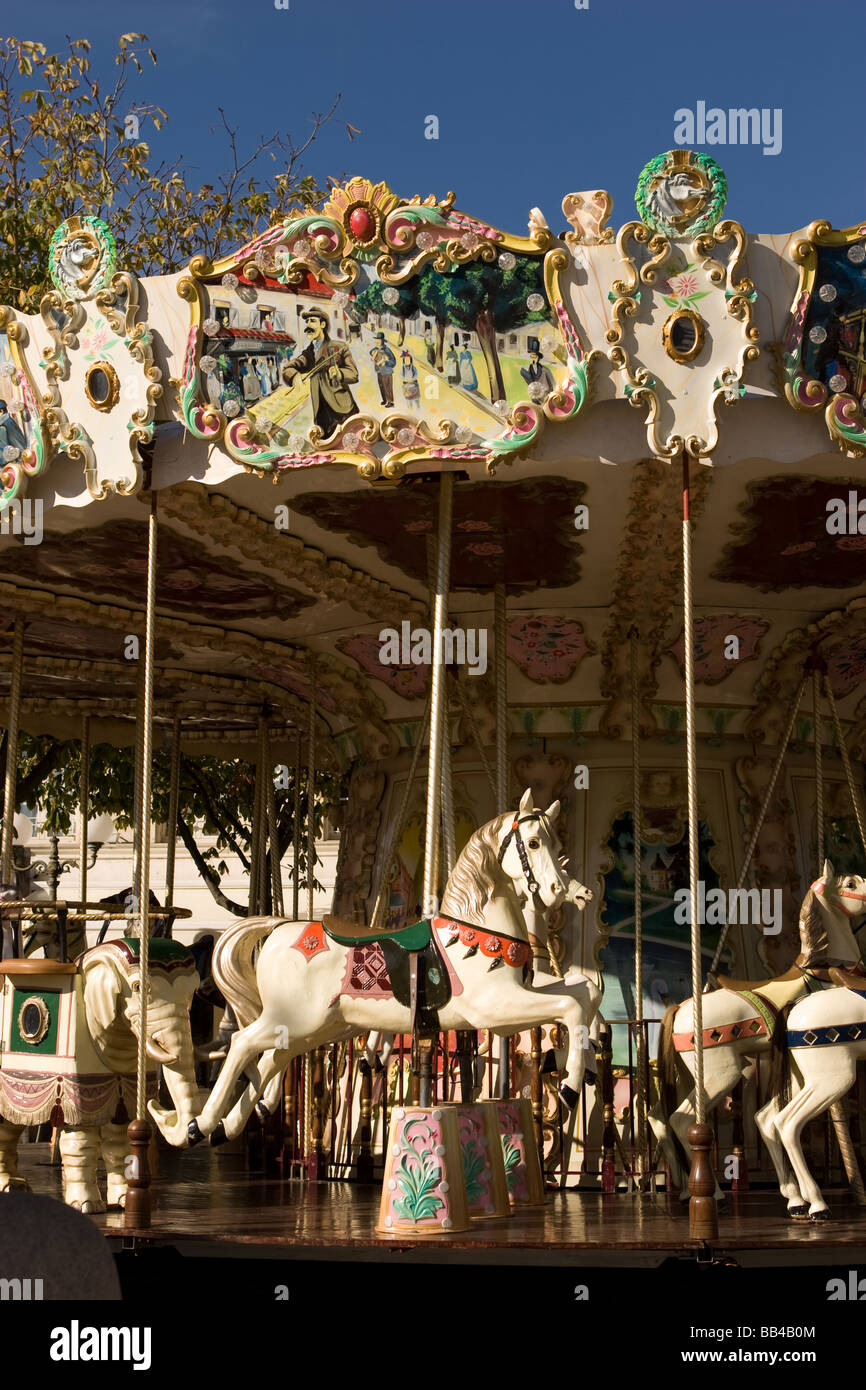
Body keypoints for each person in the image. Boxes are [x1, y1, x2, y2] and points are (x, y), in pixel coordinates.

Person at [281, 308, 359, 436]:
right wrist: (295, 376)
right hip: (321, 412)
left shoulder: (339, 347)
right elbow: (287, 369)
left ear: (322, 325)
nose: (308, 325)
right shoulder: (308, 353)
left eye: (312, 321)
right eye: (307, 322)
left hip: (343, 409)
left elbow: (354, 374)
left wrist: (340, 373)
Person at [370, 330, 396, 407]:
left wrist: (386, 363)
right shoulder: (376, 348)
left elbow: (393, 362)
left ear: (382, 341)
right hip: (379, 371)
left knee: (387, 387)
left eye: (378, 340)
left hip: (387, 372)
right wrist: (374, 352)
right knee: (381, 386)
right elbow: (371, 352)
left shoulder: (386, 350)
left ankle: (390, 402)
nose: (377, 341)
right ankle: (385, 400)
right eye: (376, 340)